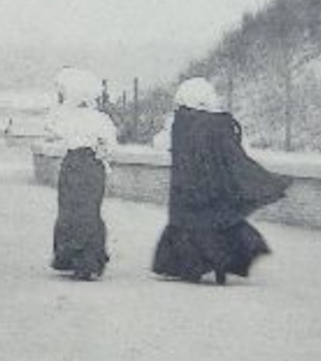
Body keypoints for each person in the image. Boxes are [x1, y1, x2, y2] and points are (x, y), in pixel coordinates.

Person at [151, 77, 290, 285]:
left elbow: (159, 145)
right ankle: (221, 267)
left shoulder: (177, 123)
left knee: (187, 225)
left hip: (185, 186)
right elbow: (236, 152)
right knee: (218, 224)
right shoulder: (220, 123)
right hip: (213, 186)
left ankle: (190, 267)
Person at [45, 67, 118, 281]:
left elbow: (50, 126)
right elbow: (110, 146)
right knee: (89, 210)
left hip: (74, 163)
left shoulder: (66, 117)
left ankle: (74, 258)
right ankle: (89, 260)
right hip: (93, 165)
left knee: (70, 210)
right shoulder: (101, 119)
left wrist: (60, 105)